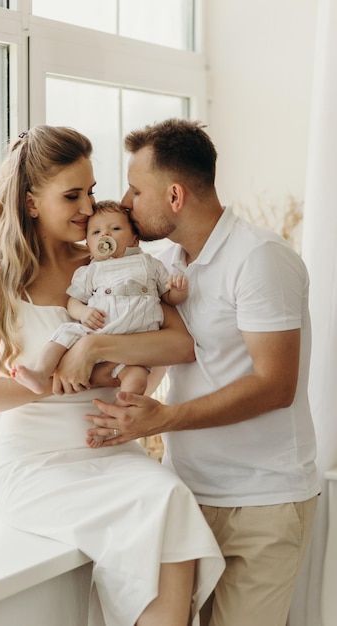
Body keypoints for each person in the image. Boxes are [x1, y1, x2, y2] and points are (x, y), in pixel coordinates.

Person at [0, 124, 225, 626]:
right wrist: (76, 377)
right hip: (38, 461)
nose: (89, 209)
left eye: (93, 191)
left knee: (169, 498)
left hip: (112, 449)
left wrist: (98, 350)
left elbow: (180, 342)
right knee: (160, 510)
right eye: (72, 195)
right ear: (32, 203)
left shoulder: (111, 261)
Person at [83, 118, 321, 626]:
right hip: (188, 493)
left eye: (135, 189)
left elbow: (274, 386)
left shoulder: (260, 259)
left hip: (263, 502)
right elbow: (160, 351)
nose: (124, 202)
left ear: (174, 195)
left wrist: (161, 420)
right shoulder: (164, 264)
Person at [11, 199, 188, 448]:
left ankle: (109, 422)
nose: (105, 234)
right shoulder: (92, 270)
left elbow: (168, 298)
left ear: (135, 239)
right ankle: (41, 373)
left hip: (133, 349)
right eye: (95, 232)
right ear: (90, 246)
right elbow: (73, 301)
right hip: (97, 327)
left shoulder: (149, 263)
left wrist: (178, 290)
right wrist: (83, 313)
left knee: (137, 381)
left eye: (115, 229)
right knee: (65, 333)